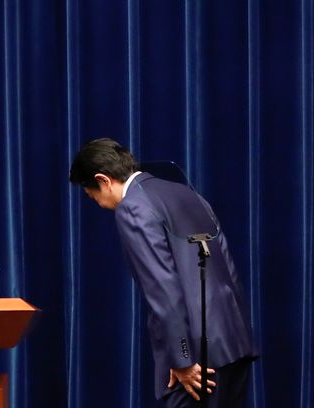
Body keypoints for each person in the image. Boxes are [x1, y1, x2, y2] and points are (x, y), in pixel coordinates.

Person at [69, 138, 258, 407]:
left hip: (198, 358)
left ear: (104, 180)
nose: (98, 203)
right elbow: (226, 266)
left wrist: (182, 359)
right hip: (235, 342)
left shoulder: (133, 208)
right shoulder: (187, 193)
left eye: (93, 195)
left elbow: (162, 287)